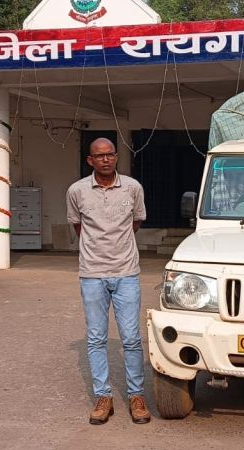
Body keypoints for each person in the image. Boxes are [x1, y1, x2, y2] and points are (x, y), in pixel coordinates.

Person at [66, 137, 150, 425]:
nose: (105, 159)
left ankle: (137, 396)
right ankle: (103, 398)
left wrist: (116, 246)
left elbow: (135, 222)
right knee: (96, 338)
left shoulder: (132, 188)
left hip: (126, 272)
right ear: (90, 160)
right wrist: (98, 248)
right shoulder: (77, 191)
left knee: (131, 338)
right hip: (92, 274)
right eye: (99, 156)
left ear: (116, 157)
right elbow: (79, 226)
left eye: (110, 154)